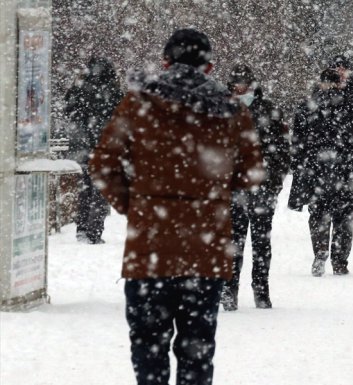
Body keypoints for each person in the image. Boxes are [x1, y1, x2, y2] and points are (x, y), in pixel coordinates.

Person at [89, 29, 263, 385]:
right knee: (197, 350)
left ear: (165, 62)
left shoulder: (138, 104)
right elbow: (251, 173)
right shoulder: (232, 111)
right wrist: (212, 193)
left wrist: (136, 206)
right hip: (206, 249)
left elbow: (103, 165)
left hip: (149, 249)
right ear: (209, 67)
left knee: (148, 347)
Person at [289, 68, 353, 277]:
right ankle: (340, 261)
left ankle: (320, 250)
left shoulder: (307, 106)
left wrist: (297, 166)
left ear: (320, 82)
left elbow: (297, 141)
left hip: (316, 169)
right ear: (340, 83)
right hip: (347, 169)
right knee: (345, 217)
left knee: (318, 214)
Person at [220, 64, 290, 310]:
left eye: (243, 83)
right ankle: (229, 289)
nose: (240, 88)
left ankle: (261, 289)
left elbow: (282, 149)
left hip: (262, 184)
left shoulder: (269, 110)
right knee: (233, 241)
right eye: (236, 84)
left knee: (261, 241)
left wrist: (275, 181)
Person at [64, 57, 123, 244]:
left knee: (85, 187)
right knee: (100, 189)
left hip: (81, 147)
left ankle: (82, 228)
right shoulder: (113, 91)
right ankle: (93, 231)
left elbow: (69, 111)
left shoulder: (79, 89)